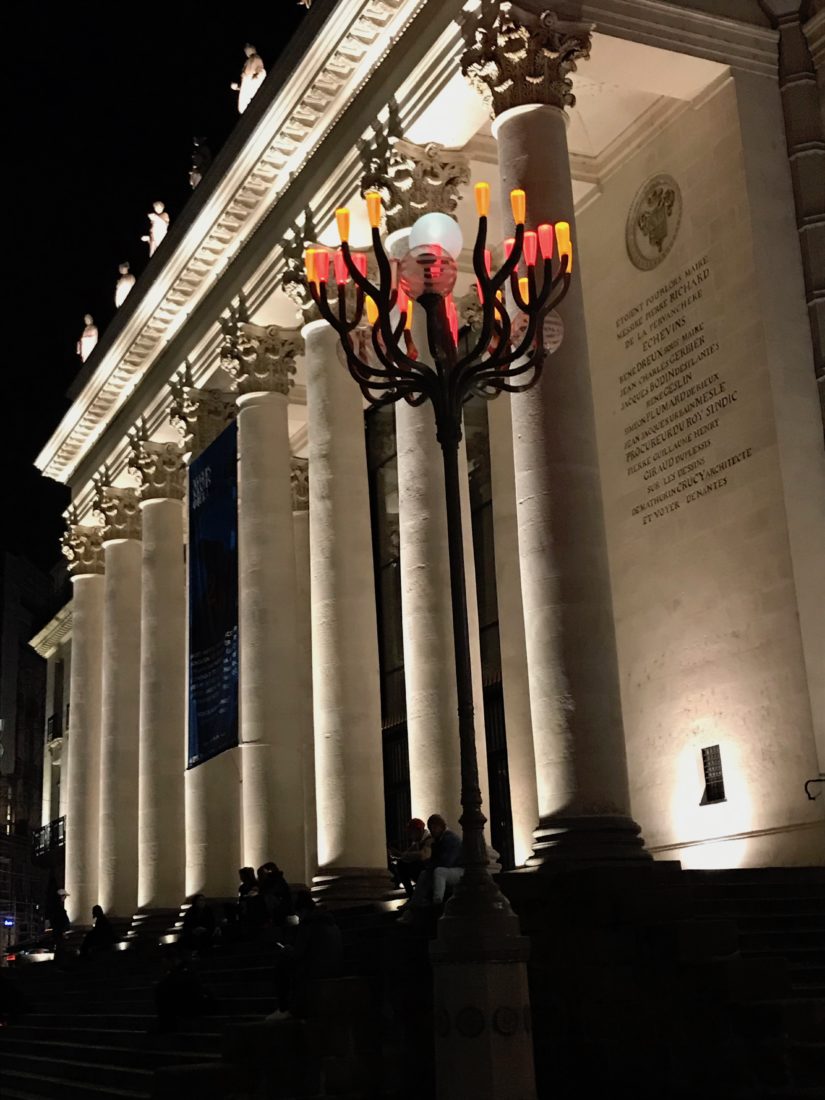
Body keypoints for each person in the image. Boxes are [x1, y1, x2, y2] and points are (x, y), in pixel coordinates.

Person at [267, 890, 343, 1020]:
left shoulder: (309, 924)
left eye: (298, 914)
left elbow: (297, 953)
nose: (298, 918)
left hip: (315, 970)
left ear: (303, 911)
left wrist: (287, 949)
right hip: (333, 967)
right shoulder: (330, 923)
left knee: (282, 965)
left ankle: (284, 1008)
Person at [397, 814, 463, 922]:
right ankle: (413, 906)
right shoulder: (439, 839)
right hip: (450, 868)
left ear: (439, 826)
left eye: (432, 828)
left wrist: (430, 867)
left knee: (438, 872)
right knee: (424, 874)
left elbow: (447, 862)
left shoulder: (450, 839)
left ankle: (437, 903)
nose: (431, 831)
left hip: (459, 869)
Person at [153, 948, 211, 1034]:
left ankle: (168, 1025)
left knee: (163, 992)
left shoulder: (185, 970)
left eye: (165, 962)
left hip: (191, 1002)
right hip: (184, 1001)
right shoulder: (178, 971)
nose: (164, 965)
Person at [389, 818, 431, 897]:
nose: (409, 835)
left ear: (419, 830)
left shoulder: (429, 839)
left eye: (411, 832)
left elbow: (423, 855)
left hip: (429, 870)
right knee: (401, 864)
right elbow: (407, 854)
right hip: (424, 870)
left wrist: (400, 855)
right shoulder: (418, 842)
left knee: (402, 865)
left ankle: (411, 896)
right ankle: (411, 895)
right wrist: (398, 856)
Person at [256, 862, 294, 930]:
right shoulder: (273, 880)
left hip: (280, 905)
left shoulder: (277, 880)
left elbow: (273, 891)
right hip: (277, 905)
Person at [231, 44, 266, 114]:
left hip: (252, 81)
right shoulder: (248, 62)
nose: (247, 52)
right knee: (243, 107)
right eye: (246, 51)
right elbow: (246, 86)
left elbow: (260, 70)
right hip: (247, 83)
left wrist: (256, 75)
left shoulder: (256, 58)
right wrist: (237, 86)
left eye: (248, 50)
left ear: (253, 49)